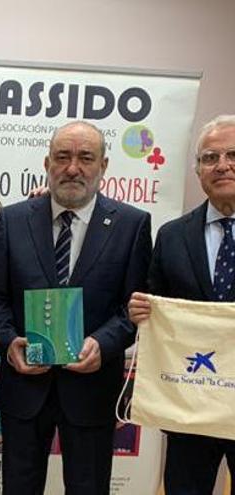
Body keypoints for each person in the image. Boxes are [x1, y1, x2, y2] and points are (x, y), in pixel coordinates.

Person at [0, 120, 152, 494]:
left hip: (91, 389)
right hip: (25, 388)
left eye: (85, 157)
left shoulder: (132, 225)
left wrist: (103, 345)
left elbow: (134, 308)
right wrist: (10, 345)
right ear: (47, 162)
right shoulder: (12, 220)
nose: (73, 167)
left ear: (103, 166)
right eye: (63, 156)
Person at [128, 115, 235, 494]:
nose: (223, 165)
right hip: (191, 405)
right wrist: (140, 312)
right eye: (210, 157)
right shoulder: (172, 235)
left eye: (232, 154)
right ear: (198, 171)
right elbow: (152, 298)